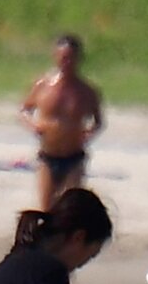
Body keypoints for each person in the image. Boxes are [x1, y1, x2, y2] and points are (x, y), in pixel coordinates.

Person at [20, 34, 104, 211]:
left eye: (71, 58)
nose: (66, 62)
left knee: (68, 210)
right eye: (63, 57)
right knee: (46, 210)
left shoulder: (86, 91)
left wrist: (88, 134)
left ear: (78, 59)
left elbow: (98, 121)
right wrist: (33, 125)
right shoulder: (43, 85)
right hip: (47, 156)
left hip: (74, 157)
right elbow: (24, 110)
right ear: (55, 56)